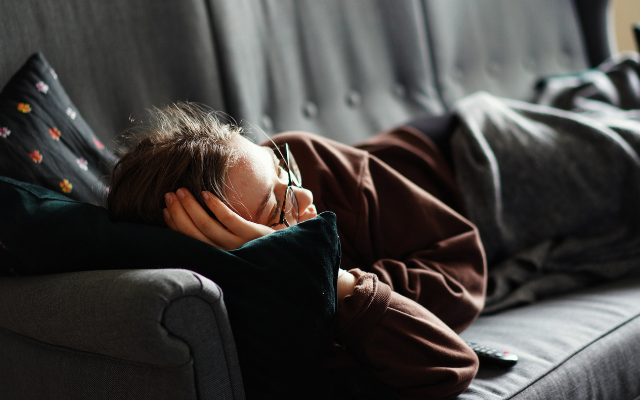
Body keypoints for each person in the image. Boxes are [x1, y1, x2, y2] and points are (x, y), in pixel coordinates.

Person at [106, 103, 487, 400]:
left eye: (281, 169)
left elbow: (463, 268)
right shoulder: (265, 314)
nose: (304, 196)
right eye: (276, 209)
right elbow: (449, 367)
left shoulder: (307, 159)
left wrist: (350, 286)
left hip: (467, 150)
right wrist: (324, 279)